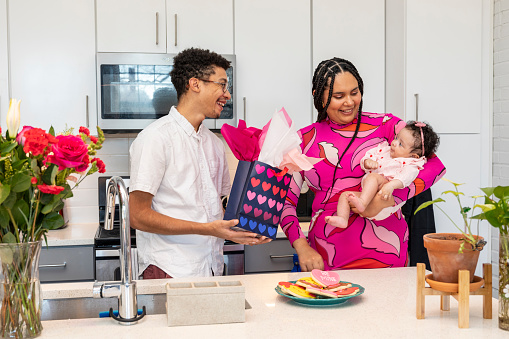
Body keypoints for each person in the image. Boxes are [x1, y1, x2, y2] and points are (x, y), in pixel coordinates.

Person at [280, 58, 446, 271]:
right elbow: (285, 203)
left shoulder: (386, 125)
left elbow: (435, 166)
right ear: (318, 97)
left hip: (388, 253)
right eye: (338, 96)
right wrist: (301, 246)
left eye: (354, 92)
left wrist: (385, 200)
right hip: (327, 256)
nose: (349, 102)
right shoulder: (302, 140)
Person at [129, 48, 270, 279]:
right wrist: (207, 229)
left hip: (211, 267)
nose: (228, 95)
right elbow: (138, 216)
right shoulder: (155, 138)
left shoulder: (214, 143)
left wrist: (249, 227)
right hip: (170, 268)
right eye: (222, 85)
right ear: (195, 84)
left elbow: (221, 208)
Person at [325, 121, 440, 228]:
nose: (394, 143)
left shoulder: (411, 163)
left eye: (400, 144)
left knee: (373, 177)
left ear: (413, 155)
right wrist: (367, 162)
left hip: (385, 198)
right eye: (396, 138)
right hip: (368, 195)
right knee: (345, 195)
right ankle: (343, 219)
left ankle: (362, 203)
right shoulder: (385, 150)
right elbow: (370, 155)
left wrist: (390, 186)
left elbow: (405, 178)